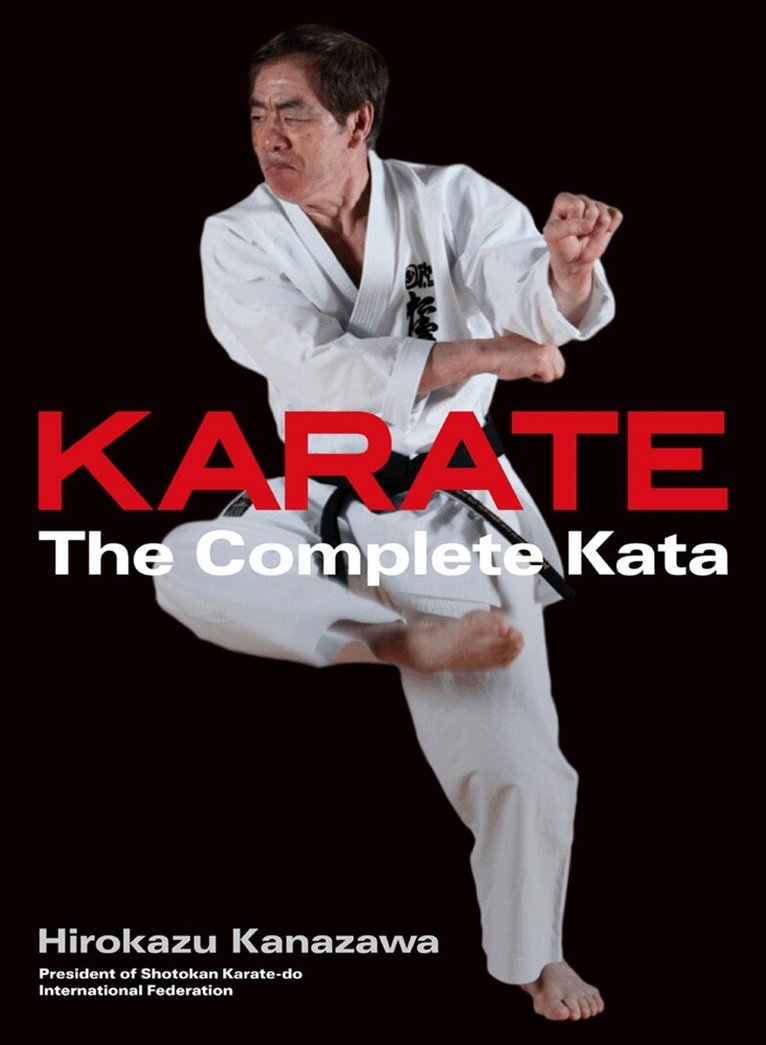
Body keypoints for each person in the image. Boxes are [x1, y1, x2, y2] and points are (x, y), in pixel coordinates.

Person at [155, 24, 622, 1021]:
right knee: (187, 562)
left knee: (523, 760)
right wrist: (485, 355)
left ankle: (534, 956)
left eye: (293, 113)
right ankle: (393, 640)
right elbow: (313, 366)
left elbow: (532, 296)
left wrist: (568, 276)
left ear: (357, 121)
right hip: (316, 493)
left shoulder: (451, 198)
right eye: (257, 113)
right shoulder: (235, 235)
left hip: (446, 504)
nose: (269, 135)